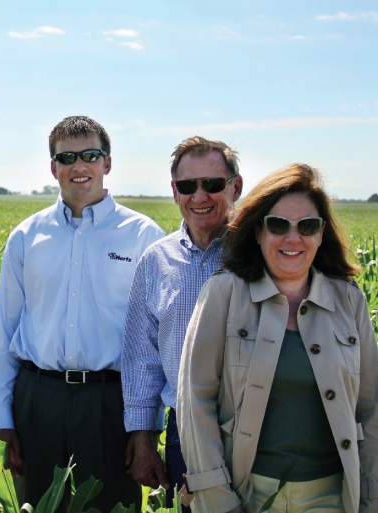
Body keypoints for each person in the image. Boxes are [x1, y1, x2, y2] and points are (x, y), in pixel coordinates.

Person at [177, 164, 378, 513]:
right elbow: (195, 400)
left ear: (321, 235)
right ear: (258, 232)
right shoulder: (224, 292)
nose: (293, 238)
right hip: (246, 493)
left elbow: (372, 409)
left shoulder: (349, 300)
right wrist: (218, 500)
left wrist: (376, 500)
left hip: (332, 497)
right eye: (278, 225)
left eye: (307, 226)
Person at [0, 116, 165, 512]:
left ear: (107, 163)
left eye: (90, 155)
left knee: (109, 506)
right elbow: (3, 328)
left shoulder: (144, 236)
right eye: (67, 157)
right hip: (37, 399)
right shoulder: (27, 237)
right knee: (38, 505)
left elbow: (156, 343)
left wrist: (146, 428)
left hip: (110, 402)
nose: (79, 166)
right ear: (53, 167)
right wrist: (2, 412)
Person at [121, 136, 242, 508]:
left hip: (254, 423)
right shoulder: (156, 261)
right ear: (175, 193)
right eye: (188, 186)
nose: (200, 196)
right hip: (184, 427)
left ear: (236, 187)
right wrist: (143, 439)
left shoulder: (260, 252)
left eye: (213, 184)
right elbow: (143, 357)